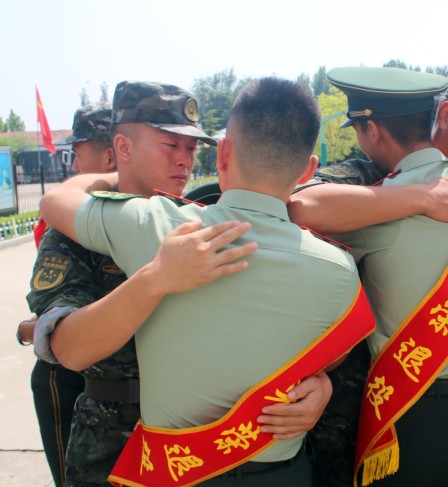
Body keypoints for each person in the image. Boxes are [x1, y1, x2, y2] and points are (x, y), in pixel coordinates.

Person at [39, 77, 375, 486]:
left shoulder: (168, 221)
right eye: (170, 144)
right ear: (121, 148)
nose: (184, 159)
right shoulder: (338, 267)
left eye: (193, 147)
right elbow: (65, 348)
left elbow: (57, 200)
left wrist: (318, 385)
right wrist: (154, 279)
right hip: (110, 444)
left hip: (174, 463)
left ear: (223, 154)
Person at [291, 62, 448, 487]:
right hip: (416, 409)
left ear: (372, 129)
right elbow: (307, 201)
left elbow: (295, 209)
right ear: (443, 116)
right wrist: (422, 198)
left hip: (434, 411)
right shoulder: (374, 182)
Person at [18, 103, 114, 487]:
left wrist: (32, 330)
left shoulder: (92, 215)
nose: (74, 165)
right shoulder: (74, 213)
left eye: (80, 153)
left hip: (79, 374)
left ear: (110, 154)